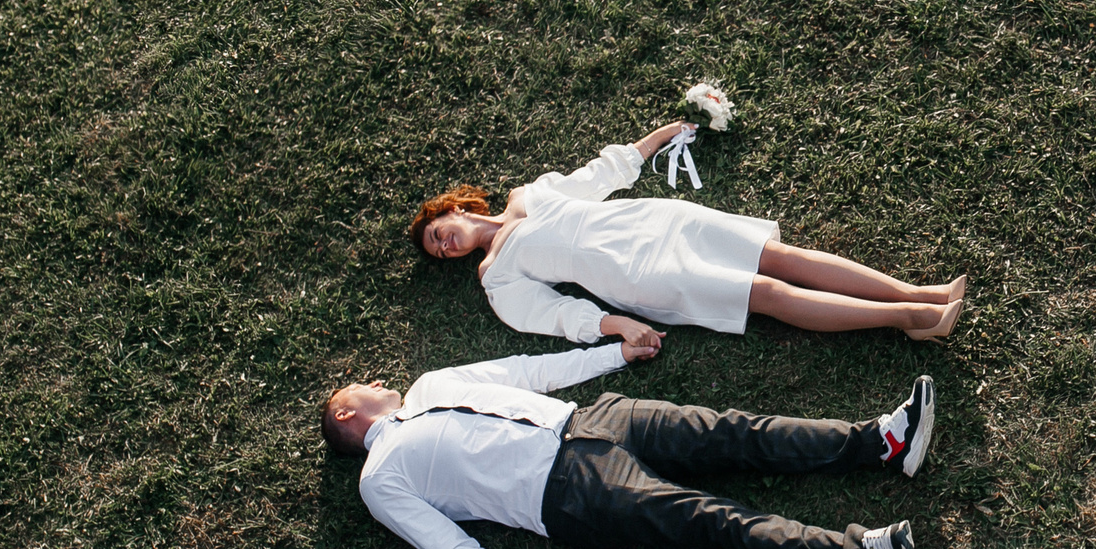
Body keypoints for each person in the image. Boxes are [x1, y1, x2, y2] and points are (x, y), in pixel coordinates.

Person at [321, 332, 937, 549]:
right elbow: (446, 547)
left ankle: (881, 442)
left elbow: (525, 372)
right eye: (361, 385)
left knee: (733, 432)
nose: (376, 380)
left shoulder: (429, 383)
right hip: (568, 491)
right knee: (711, 518)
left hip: (593, 417)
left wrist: (615, 354)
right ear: (347, 413)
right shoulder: (380, 478)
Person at [409, 120, 966, 345]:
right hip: (635, 272)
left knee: (780, 257)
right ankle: (908, 320)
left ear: (455, 208)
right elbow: (549, 316)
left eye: (440, 232)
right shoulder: (494, 275)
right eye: (439, 250)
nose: (445, 244)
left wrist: (663, 132)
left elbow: (600, 176)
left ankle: (919, 293)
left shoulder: (527, 194)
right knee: (764, 294)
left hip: (656, 221)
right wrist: (616, 324)